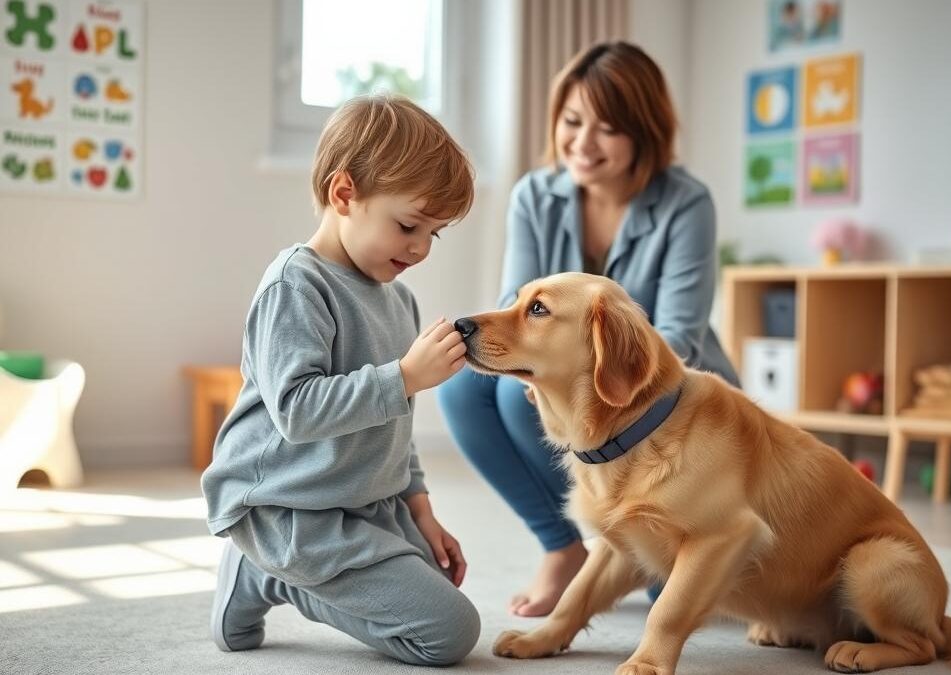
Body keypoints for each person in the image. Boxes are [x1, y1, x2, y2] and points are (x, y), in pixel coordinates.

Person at [438, 41, 739, 618]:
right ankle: (564, 547)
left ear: (644, 132)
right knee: (463, 386)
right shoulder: (535, 195)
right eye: (573, 121)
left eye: (608, 128)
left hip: (666, 393)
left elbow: (679, 334)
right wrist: (534, 367)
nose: (582, 142)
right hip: (575, 383)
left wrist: (580, 375)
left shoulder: (686, 203)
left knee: (671, 589)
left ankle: (639, 543)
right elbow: (514, 304)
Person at [201, 95, 480, 665]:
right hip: (291, 506)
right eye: (409, 225)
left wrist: (420, 509)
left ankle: (273, 572)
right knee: (450, 633)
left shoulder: (399, 300)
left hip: (364, 500)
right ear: (344, 193)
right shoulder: (295, 286)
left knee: (438, 592)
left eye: (434, 234)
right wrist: (405, 376)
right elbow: (297, 411)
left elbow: (395, 425)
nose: (421, 248)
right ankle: (268, 571)